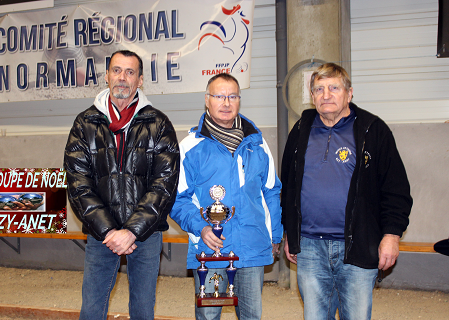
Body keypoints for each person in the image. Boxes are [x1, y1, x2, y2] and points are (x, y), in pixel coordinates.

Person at [281, 63, 412, 320]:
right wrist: (289, 232)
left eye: (334, 88)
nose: (326, 95)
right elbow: (287, 186)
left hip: (357, 245)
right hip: (309, 247)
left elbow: (396, 189)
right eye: (319, 89)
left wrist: (392, 235)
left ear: (349, 93)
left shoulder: (373, 131)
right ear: (312, 96)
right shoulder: (300, 131)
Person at [64, 50, 179, 320]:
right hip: (100, 235)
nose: (122, 78)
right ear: (106, 76)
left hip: (146, 235)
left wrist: (131, 231)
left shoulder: (159, 124)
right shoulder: (85, 124)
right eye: (117, 70)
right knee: (91, 310)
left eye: (130, 72)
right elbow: (78, 184)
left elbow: (164, 184)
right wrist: (109, 231)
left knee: (142, 311)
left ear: (140, 80)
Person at [170, 73, 282, 320]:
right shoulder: (190, 147)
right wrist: (201, 228)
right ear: (207, 101)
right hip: (212, 251)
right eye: (219, 96)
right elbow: (178, 199)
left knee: (252, 316)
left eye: (232, 96)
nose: (226, 102)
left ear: (239, 100)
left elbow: (271, 190)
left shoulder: (258, 143)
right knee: (209, 316)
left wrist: (275, 233)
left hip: (252, 246)